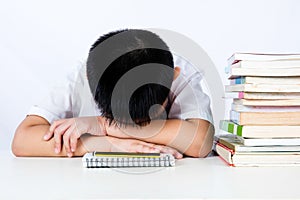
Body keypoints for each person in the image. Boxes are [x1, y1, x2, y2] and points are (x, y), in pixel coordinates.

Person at [12, 29, 214, 158]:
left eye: (146, 119)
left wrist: (103, 124)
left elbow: (200, 142)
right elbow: (22, 140)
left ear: (173, 78)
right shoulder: (84, 75)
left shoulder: (176, 72)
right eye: (117, 119)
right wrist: (103, 144)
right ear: (89, 81)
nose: (130, 126)